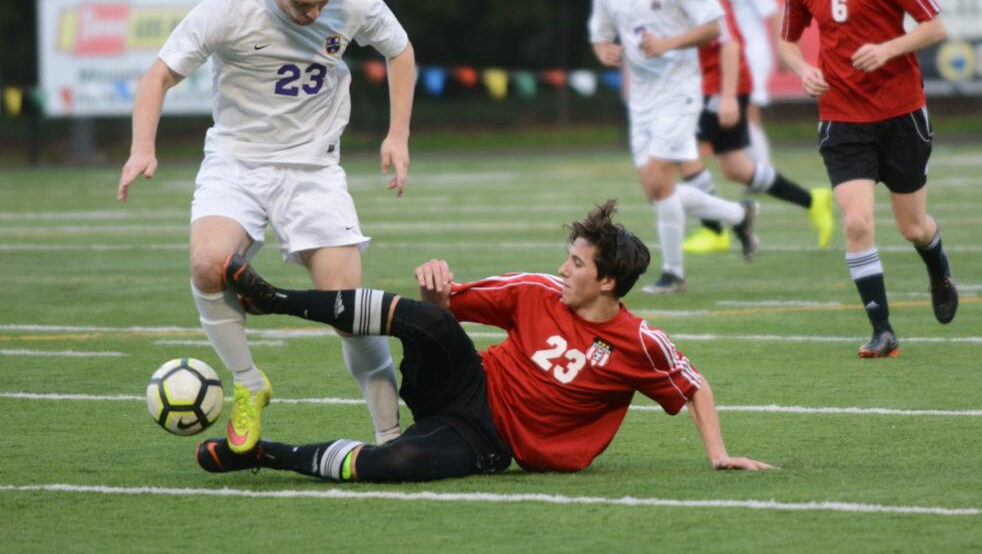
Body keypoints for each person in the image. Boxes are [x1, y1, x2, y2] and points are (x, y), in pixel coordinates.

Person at [196, 201, 775, 481]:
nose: (563, 269)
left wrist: (718, 454)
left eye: (576, 263)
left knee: (401, 462)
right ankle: (271, 300)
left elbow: (693, 386)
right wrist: (437, 286)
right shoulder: (536, 290)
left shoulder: (641, 342)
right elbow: (444, 311)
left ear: (607, 281)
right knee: (434, 323)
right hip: (464, 382)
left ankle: (262, 454)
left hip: (487, 441)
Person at [117, 0, 416, 450]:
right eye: (304, 4)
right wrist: (143, 148)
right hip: (237, 164)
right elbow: (158, 76)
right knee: (209, 264)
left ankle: (390, 439)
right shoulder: (228, 6)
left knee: (351, 310)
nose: (315, 12)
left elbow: (400, 51)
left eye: (322, 2)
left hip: (315, 171)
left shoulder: (353, 2)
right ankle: (250, 383)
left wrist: (397, 134)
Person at [777, 0, 958, 358]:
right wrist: (801, 69)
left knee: (913, 227)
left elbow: (935, 26)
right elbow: (787, 41)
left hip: (901, 114)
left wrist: (888, 49)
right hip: (842, 119)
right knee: (856, 223)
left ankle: (938, 267)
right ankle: (883, 330)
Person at [589, 0, 758, 295]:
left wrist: (669, 44)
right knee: (655, 189)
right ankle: (738, 213)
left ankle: (674, 273)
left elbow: (715, 26)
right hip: (641, 102)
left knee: (659, 179)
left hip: (679, 95)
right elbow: (600, 36)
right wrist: (605, 51)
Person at [654, 0, 835, 254]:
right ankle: (812, 200)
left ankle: (717, 228)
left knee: (679, 151)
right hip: (705, 85)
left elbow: (731, 44)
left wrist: (727, 97)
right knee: (736, 168)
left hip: (720, 85)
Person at [700, 0, 786, 178]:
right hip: (726, 61)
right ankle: (753, 169)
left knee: (749, 110)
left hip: (753, 56)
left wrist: (781, 47)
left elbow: (773, 12)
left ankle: (764, 170)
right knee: (736, 113)